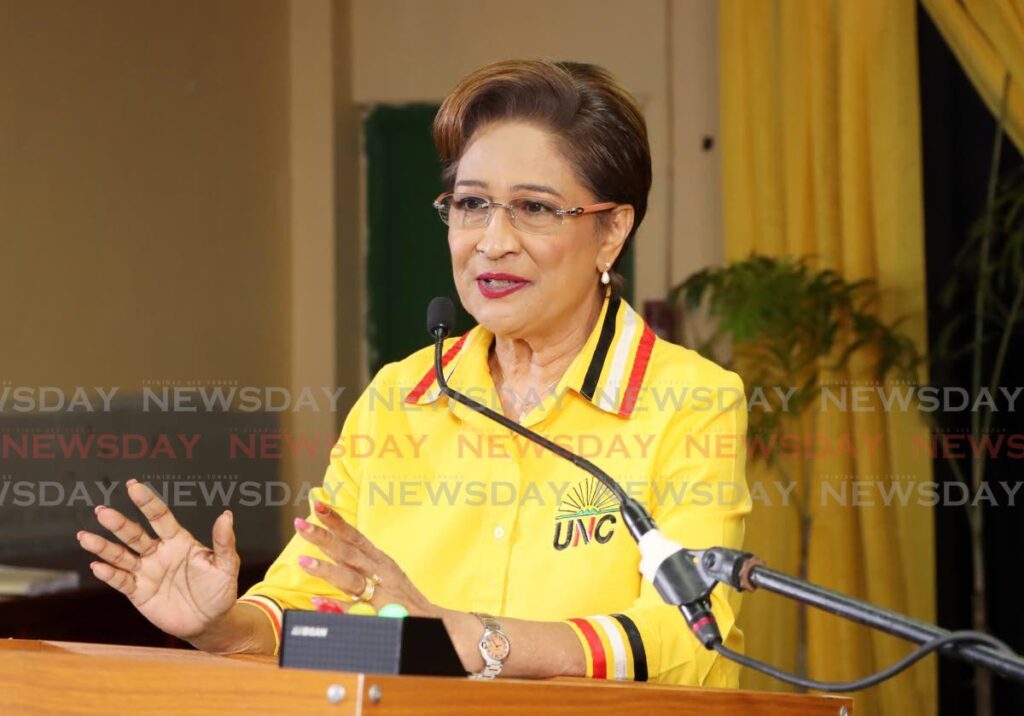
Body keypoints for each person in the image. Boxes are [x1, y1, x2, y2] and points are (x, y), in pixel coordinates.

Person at [76, 59, 750, 687]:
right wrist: (224, 627)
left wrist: (479, 641)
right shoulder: (401, 397)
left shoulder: (691, 401)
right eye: (471, 204)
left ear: (611, 232)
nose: (492, 240)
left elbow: (691, 636)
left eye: (536, 208)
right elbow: (312, 610)